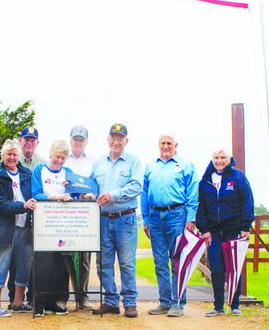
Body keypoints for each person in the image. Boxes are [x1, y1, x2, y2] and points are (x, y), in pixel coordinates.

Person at [141, 133, 199, 317]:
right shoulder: (151, 166)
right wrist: (146, 219)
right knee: (160, 262)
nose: (166, 146)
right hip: (155, 216)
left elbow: (192, 193)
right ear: (158, 145)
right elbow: (144, 193)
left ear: (176, 145)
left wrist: (190, 218)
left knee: (177, 261)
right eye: (163, 143)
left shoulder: (185, 165)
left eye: (169, 143)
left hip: (177, 215)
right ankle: (164, 302)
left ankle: (178, 303)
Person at [91, 123, 143, 318]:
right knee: (103, 263)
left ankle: (130, 302)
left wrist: (112, 195)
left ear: (126, 141)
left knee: (127, 263)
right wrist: (87, 194)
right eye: (113, 137)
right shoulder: (98, 163)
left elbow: (137, 186)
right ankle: (111, 301)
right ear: (108, 139)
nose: (116, 141)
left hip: (125, 219)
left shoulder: (133, 162)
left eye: (120, 138)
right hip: (103, 220)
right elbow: (92, 187)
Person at [196, 148, 254, 317]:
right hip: (214, 233)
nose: (219, 161)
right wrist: (204, 230)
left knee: (234, 268)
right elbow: (201, 208)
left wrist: (245, 227)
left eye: (223, 158)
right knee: (217, 269)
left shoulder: (238, 178)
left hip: (234, 231)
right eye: (216, 158)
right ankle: (218, 306)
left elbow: (247, 202)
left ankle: (235, 304)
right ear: (212, 160)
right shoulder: (205, 181)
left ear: (229, 159)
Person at [0, 139, 37, 317]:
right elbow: (0, 203)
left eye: (15, 154)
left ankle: (17, 302)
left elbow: (34, 194)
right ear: (2, 156)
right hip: (5, 227)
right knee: (2, 265)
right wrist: (23, 205)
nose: (12, 157)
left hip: (25, 226)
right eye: (9, 154)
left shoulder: (26, 173)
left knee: (24, 265)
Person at [31, 139, 74, 317]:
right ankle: (39, 302)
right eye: (57, 157)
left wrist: (69, 194)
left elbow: (75, 193)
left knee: (60, 265)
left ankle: (56, 302)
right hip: (44, 223)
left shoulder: (68, 172)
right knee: (42, 264)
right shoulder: (39, 170)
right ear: (50, 154)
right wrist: (55, 197)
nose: (59, 161)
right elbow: (36, 193)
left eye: (63, 158)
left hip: (63, 224)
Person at [8, 126, 44, 307]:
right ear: (20, 140)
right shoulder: (13, 158)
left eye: (32, 140)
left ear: (37, 143)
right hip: (15, 215)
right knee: (14, 260)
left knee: (32, 260)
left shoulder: (42, 163)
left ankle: (32, 298)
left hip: (35, 216)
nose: (29, 143)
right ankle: (13, 298)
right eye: (26, 139)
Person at [63, 125, 96, 310]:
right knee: (64, 255)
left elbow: (95, 186)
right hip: (64, 213)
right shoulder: (62, 159)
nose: (78, 142)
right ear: (70, 139)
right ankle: (63, 297)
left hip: (84, 213)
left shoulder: (93, 162)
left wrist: (92, 194)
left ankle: (82, 297)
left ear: (86, 141)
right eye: (75, 138)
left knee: (84, 257)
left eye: (81, 139)